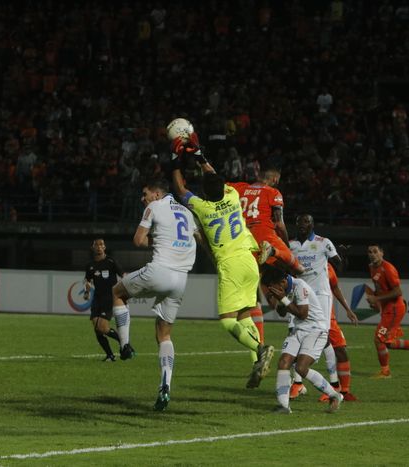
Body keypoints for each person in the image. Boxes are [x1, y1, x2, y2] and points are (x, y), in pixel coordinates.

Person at [170, 132, 275, 389]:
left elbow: (180, 189)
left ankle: (260, 349)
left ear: (204, 192)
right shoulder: (232, 196)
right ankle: (256, 361)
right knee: (244, 315)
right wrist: (199, 156)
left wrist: (175, 159)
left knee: (228, 320)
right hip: (250, 261)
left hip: (230, 263)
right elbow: (214, 177)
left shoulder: (203, 208)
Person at [111, 177, 198, 411]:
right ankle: (165, 385)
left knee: (117, 293)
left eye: (145, 193)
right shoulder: (188, 212)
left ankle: (125, 345)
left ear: (157, 195)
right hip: (181, 279)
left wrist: (157, 238)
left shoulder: (154, 207)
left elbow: (138, 240)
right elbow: (198, 239)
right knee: (164, 335)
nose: (143, 198)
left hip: (159, 270)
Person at [228, 167, 305, 342]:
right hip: (265, 236)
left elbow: (216, 183)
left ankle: (261, 340)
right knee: (298, 268)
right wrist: (285, 245)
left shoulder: (239, 188)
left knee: (255, 293)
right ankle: (284, 296)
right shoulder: (273, 192)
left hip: (243, 241)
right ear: (275, 179)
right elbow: (279, 224)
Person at [261, 266, 343, 414]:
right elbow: (281, 312)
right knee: (283, 362)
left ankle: (334, 395)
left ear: (282, 281)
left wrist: (283, 299)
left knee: (301, 368)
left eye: (272, 286)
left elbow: (302, 314)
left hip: (315, 330)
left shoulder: (300, 286)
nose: (271, 289)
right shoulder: (283, 289)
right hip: (298, 329)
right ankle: (283, 406)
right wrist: (275, 300)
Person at [288, 214, 345, 399]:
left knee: (324, 337)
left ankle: (335, 385)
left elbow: (339, 263)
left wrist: (342, 257)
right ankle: (297, 383)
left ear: (312, 224)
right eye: (299, 222)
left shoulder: (323, 242)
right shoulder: (292, 245)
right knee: (295, 333)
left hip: (320, 295)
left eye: (305, 222)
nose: (302, 225)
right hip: (301, 295)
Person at [291, 263, 359, 402]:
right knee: (296, 344)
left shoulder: (327, 267)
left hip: (328, 316)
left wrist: (347, 309)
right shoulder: (299, 263)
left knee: (340, 350)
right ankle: (298, 384)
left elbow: (334, 287)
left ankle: (344, 391)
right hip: (307, 316)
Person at [366, 244, 409, 378]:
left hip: (395, 308)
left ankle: (385, 372)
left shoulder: (388, 269)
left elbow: (398, 292)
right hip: (387, 308)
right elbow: (380, 288)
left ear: (382, 253)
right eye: (369, 252)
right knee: (388, 342)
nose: (372, 254)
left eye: (375, 251)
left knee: (379, 339)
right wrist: (376, 300)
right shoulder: (372, 268)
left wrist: (377, 298)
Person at [83, 238, 124, 362]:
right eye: (97, 245)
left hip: (109, 297)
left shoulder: (111, 261)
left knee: (102, 327)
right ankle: (110, 356)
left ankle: (125, 343)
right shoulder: (90, 265)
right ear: (93, 248)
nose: (99, 247)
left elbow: (123, 275)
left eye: (102, 244)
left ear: (104, 247)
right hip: (97, 298)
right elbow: (87, 280)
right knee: (97, 329)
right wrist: (86, 291)